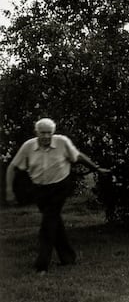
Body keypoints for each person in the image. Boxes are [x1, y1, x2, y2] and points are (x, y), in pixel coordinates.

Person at [5, 118, 110, 275]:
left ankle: (42, 265)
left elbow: (78, 156)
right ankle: (68, 258)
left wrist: (97, 168)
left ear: (53, 133)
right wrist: (9, 190)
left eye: (49, 133)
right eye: (43, 133)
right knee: (54, 222)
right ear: (36, 133)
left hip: (60, 186)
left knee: (48, 223)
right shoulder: (28, 146)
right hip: (39, 189)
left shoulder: (62, 142)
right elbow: (12, 167)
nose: (46, 136)